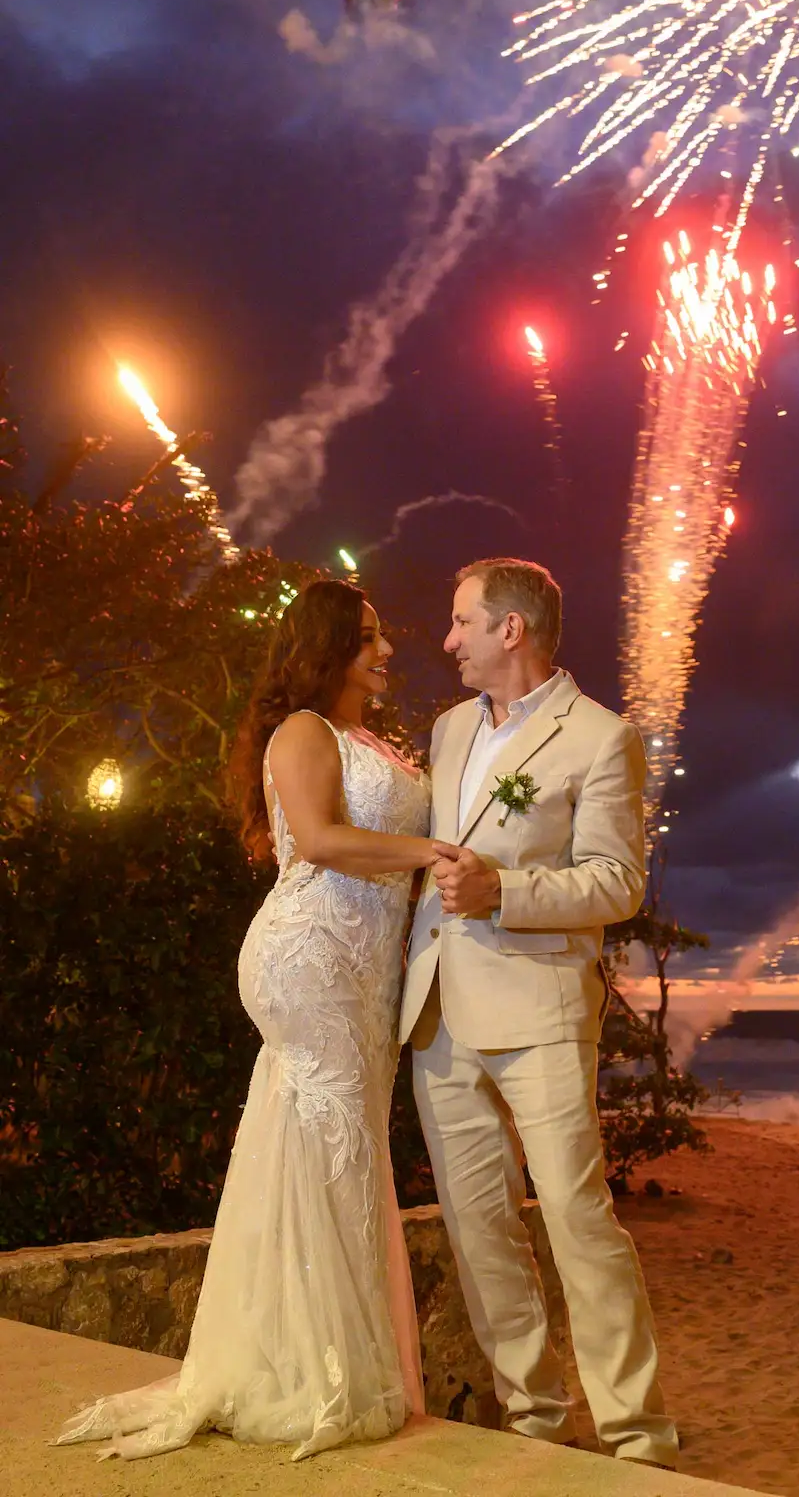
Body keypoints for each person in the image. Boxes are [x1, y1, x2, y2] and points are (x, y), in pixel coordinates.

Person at [57, 580, 436, 1462]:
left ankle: (311, 1360)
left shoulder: (372, 740)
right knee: (333, 1146)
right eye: (369, 639)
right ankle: (318, 1374)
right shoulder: (303, 731)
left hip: (367, 970)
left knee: (335, 1151)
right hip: (311, 957)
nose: (385, 653)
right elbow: (322, 837)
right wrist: (434, 851)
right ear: (327, 646)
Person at [400, 557, 679, 1469]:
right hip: (438, 1009)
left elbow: (619, 881)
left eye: (461, 622)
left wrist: (504, 889)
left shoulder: (599, 737)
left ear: (510, 629)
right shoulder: (446, 731)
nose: (448, 641)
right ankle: (535, 1416)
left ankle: (635, 1433)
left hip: (541, 1008)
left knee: (574, 1213)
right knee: (478, 1222)